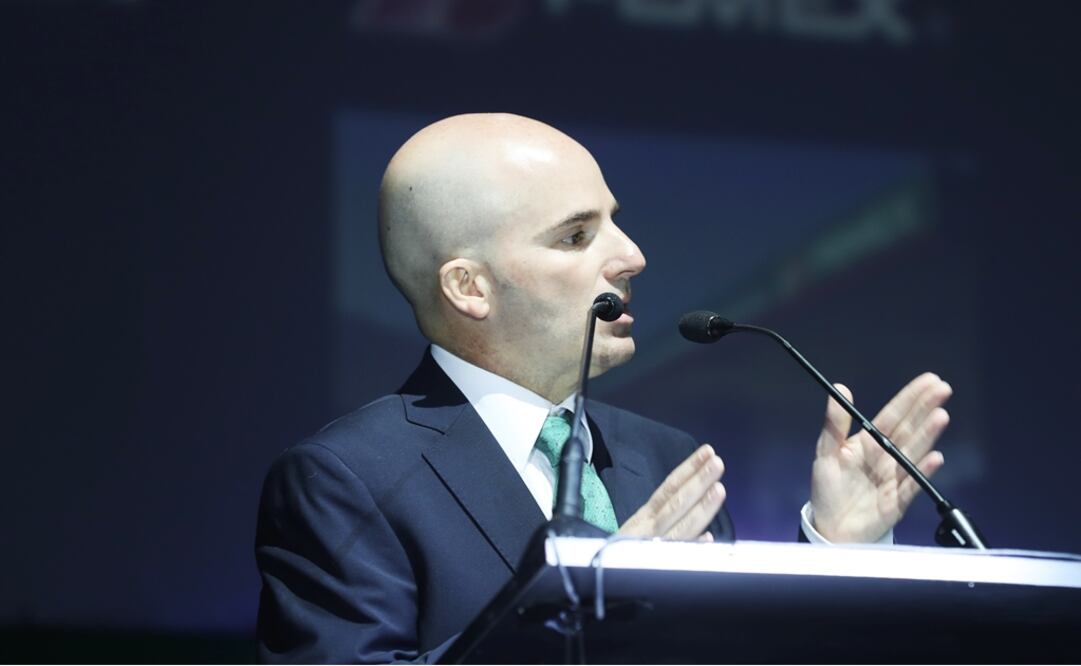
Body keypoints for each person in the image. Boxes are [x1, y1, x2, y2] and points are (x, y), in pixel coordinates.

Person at [255, 113, 952, 663]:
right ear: (469, 287)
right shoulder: (347, 479)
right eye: (576, 236)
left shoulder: (667, 458)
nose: (631, 257)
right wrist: (588, 616)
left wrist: (833, 547)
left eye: (613, 220)